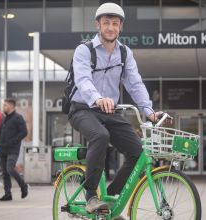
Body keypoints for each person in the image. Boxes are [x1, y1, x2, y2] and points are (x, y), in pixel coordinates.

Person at [68, 3, 163, 215]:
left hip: (110, 111)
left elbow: (135, 83)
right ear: (98, 25)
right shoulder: (84, 50)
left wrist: (149, 111)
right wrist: (98, 98)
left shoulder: (124, 52)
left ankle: (109, 200)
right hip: (82, 108)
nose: (110, 27)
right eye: (106, 23)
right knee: (100, 136)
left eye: (115, 23)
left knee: (137, 153)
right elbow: (83, 80)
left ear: (120, 26)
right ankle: (91, 195)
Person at [0, 98, 29, 201]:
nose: (3, 107)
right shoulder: (4, 118)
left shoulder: (18, 118)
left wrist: (13, 141)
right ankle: (8, 194)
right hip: (3, 149)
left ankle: (23, 186)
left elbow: (24, 132)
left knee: (10, 168)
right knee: (5, 172)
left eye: (5, 105)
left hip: (13, 149)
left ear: (11, 106)